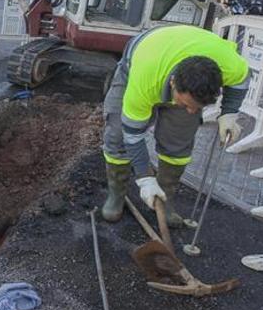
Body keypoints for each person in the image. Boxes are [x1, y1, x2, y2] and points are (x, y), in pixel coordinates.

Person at [101, 24, 248, 226]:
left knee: (178, 141)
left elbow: (242, 80)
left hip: (185, 52)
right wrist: (145, 178)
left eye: (197, 107)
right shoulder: (144, 82)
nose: (190, 111)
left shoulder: (230, 66)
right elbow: (132, 135)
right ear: (173, 83)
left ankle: (165, 199)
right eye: (186, 104)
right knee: (117, 134)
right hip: (144, 57)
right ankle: (117, 194)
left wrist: (229, 112)